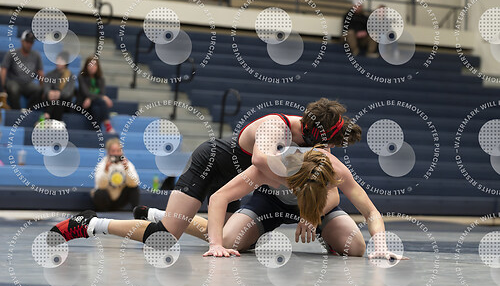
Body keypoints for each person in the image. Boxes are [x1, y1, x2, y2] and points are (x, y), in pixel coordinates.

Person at [48, 99, 367, 255]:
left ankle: (160, 214)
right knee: (164, 238)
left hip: (236, 176)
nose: (326, 149)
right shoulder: (279, 126)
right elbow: (260, 160)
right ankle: (90, 224)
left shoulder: (314, 140)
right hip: (211, 164)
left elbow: (326, 179)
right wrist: (299, 185)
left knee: (235, 242)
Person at [203, 147, 403, 260]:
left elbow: (370, 212)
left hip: (318, 208)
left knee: (356, 248)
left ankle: (328, 238)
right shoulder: (272, 166)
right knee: (228, 242)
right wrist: (216, 244)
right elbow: (219, 197)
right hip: (270, 202)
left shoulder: (335, 170)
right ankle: (251, 237)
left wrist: (381, 247)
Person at [91, 138, 140, 211]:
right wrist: (106, 170)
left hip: (120, 199)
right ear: (108, 152)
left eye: (118, 151)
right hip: (106, 200)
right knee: (99, 193)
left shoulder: (127, 164)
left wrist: (127, 169)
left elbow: (134, 184)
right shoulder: (102, 164)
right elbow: (100, 186)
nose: (116, 154)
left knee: (134, 189)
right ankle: (103, 213)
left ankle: (136, 211)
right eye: (113, 151)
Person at [1, 30, 43, 109]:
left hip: (28, 83)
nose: (29, 45)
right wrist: (3, 88)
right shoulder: (12, 53)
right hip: (13, 81)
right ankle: (16, 112)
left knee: (38, 90)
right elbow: (3, 70)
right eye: (27, 42)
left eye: (31, 43)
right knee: (14, 89)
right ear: (22, 41)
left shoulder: (36, 55)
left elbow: (40, 72)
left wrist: (42, 88)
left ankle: (29, 111)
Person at [77, 57, 115, 133]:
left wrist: (91, 98)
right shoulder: (81, 77)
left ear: (97, 67)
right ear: (86, 66)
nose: (92, 67)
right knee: (102, 101)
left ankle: (96, 132)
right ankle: (108, 126)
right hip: (84, 103)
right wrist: (102, 97)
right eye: (90, 65)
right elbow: (86, 93)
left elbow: (102, 93)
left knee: (96, 109)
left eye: (94, 65)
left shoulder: (101, 79)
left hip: (95, 104)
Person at [42, 51, 76, 121]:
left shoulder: (70, 76)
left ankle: (47, 115)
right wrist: (49, 93)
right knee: (51, 99)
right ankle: (50, 119)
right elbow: (46, 87)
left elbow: (68, 92)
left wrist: (59, 94)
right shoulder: (50, 74)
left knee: (59, 102)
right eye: (57, 60)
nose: (58, 62)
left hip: (63, 102)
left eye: (61, 60)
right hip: (50, 100)